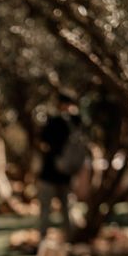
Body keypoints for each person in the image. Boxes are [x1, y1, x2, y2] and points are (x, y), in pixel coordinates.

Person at [38, 93, 81, 241]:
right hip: (66, 174)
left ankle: (43, 239)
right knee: (66, 208)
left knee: (46, 208)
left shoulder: (52, 121)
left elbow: (43, 144)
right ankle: (70, 239)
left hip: (49, 173)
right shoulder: (75, 122)